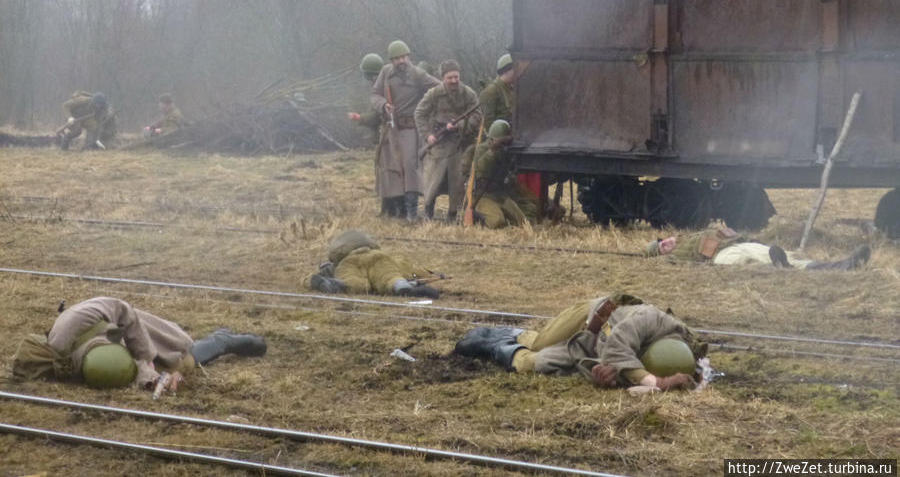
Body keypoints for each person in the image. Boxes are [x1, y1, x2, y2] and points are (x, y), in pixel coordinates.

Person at [455, 294, 704, 392]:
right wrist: (657, 382)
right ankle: (514, 332)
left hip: (591, 347)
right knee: (541, 343)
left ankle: (494, 346)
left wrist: (610, 377)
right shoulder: (649, 319)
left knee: (533, 363)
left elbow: (620, 366)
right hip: (590, 318)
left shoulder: (688, 352)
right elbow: (618, 346)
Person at [11, 297, 266, 393]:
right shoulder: (68, 361)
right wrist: (151, 378)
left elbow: (121, 311)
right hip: (117, 336)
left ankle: (223, 340)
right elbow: (125, 360)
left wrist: (151, 369)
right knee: (168, 365)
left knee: (182, 360)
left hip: (132, 325)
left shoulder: (74, 331)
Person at [371, 40, 440, 222]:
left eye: (404, 57)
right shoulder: (385, 73)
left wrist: (426, 106)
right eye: (397, 58)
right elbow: (374, 95)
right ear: (391, 60)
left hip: (410, 128)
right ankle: (396, 209)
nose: (401, 61)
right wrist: (383, 105)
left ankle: (411, 212)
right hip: (391, 129)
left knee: (410, 167)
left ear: (409, 57)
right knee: (392, 168)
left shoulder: (418, 74)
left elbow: (439, 88)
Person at [414, 59, 482, 222]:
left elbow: (477, 116)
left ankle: (453, 215)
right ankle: (428, 213)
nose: (453, 81)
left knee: (457, 181)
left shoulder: (468, 94)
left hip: (460, 144)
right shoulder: (434, 94)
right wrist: (428, 135)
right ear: (443, 78)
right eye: (449, 77)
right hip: (439, 143)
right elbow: (419, 113)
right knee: (432, 180)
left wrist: (458, 126)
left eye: (456, 77)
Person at [643, 227, 871, 270]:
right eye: (661, 248)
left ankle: (844, 265)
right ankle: (778, 267)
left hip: (738, 245)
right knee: (750, 262)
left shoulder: (691, 235)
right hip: (722, 257)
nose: (666, 244)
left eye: (662, 240)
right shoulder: (675, 258)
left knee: (789, 258)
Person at [303, 230, 444, 299]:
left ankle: (336, 285)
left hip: (348, 264)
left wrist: (310, 281)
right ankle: (402, 286)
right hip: (379, 259)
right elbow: (411, 268)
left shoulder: (337, 264)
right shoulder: (382, 255)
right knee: (389, 277)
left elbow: (313, 276)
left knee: (354, 283)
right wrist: (432, 274)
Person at [350, 54, 405, 218]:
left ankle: (398, 210)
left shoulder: (384, 88)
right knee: (385, 173)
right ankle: (388, 208)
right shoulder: (385, 85)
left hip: (391, 135)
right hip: (389, 135)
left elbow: (376, 115)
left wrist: (360, 118)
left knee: (391, 173)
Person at [464, 119, 538, 228]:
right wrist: (493, 150)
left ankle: (502, 217)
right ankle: (477, 217)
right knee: (496, 221)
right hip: (483, 195)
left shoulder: (506, 151)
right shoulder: (482, 149)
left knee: (524, 224)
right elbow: (481, 169)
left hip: (500, 194)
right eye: (502, 141)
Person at [479, 54, 517, 131]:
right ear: (506, 71)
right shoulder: (491, 91)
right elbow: (488, 123)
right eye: (515, 69)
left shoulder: (513, 88)